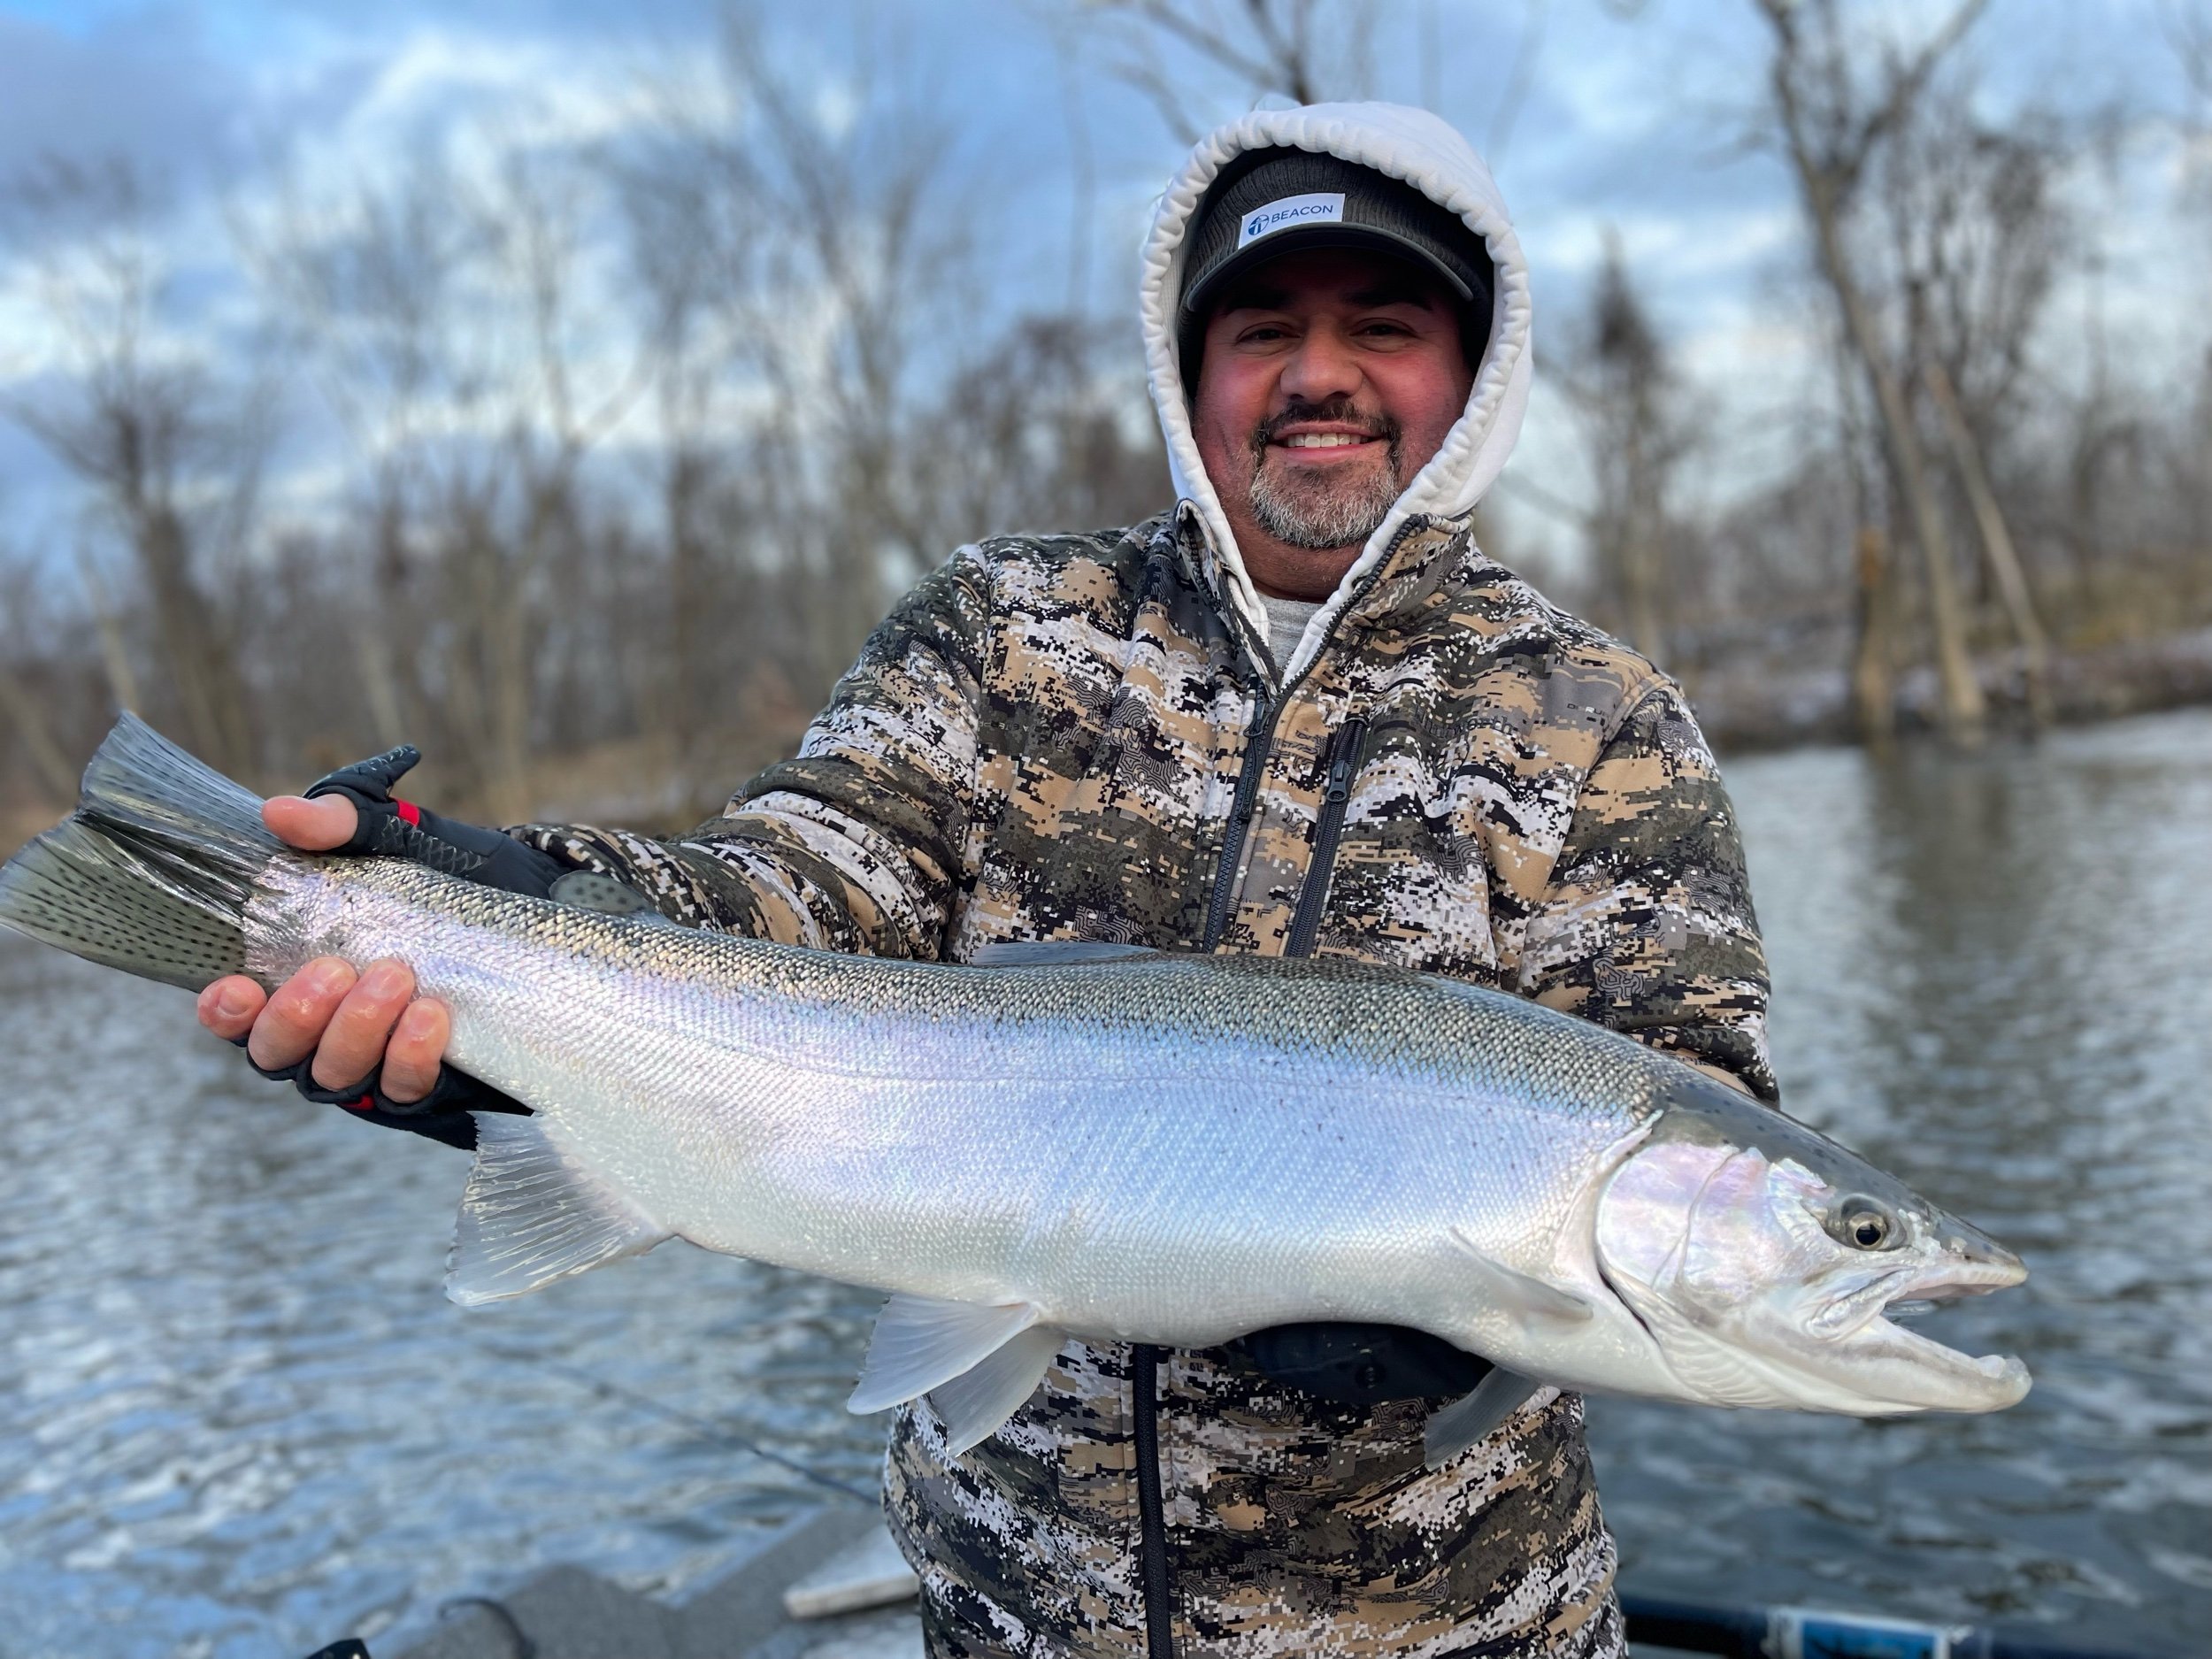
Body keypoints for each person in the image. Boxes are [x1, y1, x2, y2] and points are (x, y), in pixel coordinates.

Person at [198, 103, 1775, 1659]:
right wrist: (512, 908)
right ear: (1191, 374)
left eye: (1384, 325)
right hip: (1013, 1622)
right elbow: (794, 893)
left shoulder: (1603, 721)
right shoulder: (1004, 631)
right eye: (1262, 331)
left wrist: (1462, 1314)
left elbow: (1681, 1088)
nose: (1319, 374)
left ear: (1474, 375)